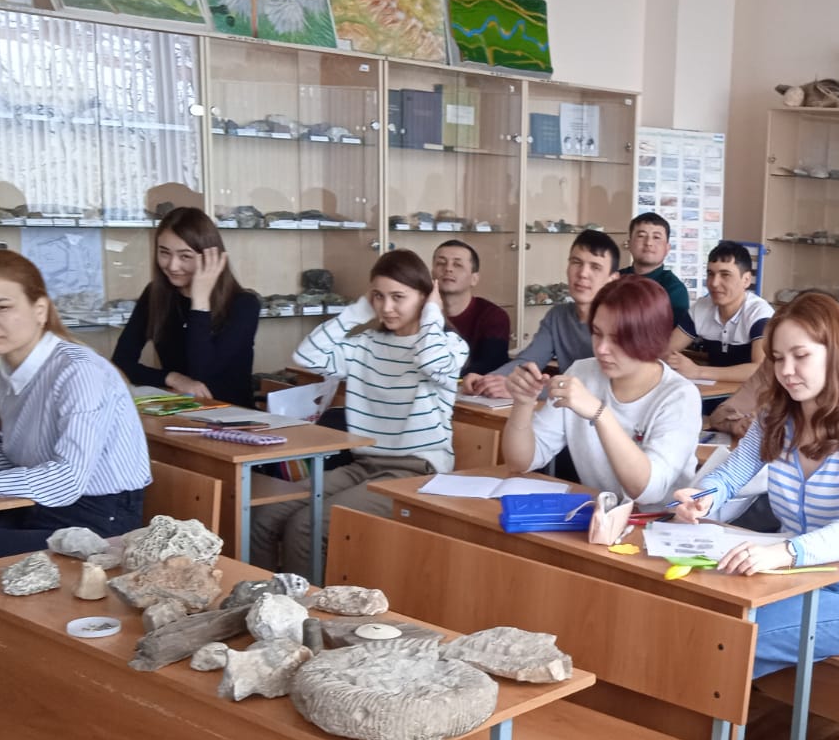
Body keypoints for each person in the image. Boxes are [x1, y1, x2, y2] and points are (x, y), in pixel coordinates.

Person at [674, 292, 839, 677]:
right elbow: (730, 476)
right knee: (696, 619)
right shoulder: (774, 420)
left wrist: (786, 552)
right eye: (777, 358)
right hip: (789, 576)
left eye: (801, 356)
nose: (787, 370)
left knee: (724, 639)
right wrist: (703, 498)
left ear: (835, 355)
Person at [250, 250, 467, 576]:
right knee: (264, 517)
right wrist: (358, 311)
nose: (387, 307)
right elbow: (306, 356)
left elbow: (433, 364)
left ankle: (302, 608)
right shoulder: (365, 344)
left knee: (306, 526)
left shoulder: (448, 346)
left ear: (424, 297)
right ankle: (259, 598)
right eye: (378, 296)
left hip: (417, 471)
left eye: (398, 297)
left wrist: (433, 314)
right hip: (365, 463)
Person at [501, 276, 699, 508]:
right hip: (601, 517)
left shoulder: (680, 396)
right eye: (597, 333)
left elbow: (647, 492)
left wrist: (600, 414)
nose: (602, 349)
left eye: (618, 339)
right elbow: (521, 462)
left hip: (662, 522)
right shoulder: (581, 372)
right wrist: (523, 404)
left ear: (651, 337)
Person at [0, 253, 150, 552]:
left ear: (40, 310)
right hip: (38, 504)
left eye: (3, 307)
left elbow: (66, 480)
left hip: (97, 519)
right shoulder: (6, 367)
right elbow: (10, 451)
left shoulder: (79, 371)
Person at [111, 207, 260, 407]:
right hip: (179, 412)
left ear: (210, 258)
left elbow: (203, 374)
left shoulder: (244, 305)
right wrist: (173, 378)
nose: (172, 266)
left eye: (185, 256)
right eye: (164, 253)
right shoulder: (155, 294)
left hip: (233, 415)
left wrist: (200, 302)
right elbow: (120, 362)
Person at [467, 229, 621, 397]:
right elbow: (528, 361)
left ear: (612, 279)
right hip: (566, 407)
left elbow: (605, 385)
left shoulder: (622, 321)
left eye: (595, 267)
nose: (583, 274)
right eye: (576, 262)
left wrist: (522, 389)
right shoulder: (557, 316)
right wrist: (487, 380)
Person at [666, 241, 774, 383]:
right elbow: (666, 351)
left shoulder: (759, 313)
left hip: (754, 392)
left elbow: (761, 369)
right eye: (710, 274)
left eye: (725, 275)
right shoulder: (702, 307)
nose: (714, 283)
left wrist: (698, 371)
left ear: (746, 280)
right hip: (717, 390)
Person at [432, 239, 509, 377]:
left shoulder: (493, 316)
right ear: (432, 274)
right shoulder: (421, 313)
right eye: (441, 263)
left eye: (457, 264)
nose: (448, 269)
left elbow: (491, 364)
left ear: (474, 278)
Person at [621, 212, 693, 336]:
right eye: (641, 236)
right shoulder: (614, 280)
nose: (648, 242)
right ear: (629, 244)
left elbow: (671, 338)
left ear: (667, 248)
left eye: (656, 237)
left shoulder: (675, 289)